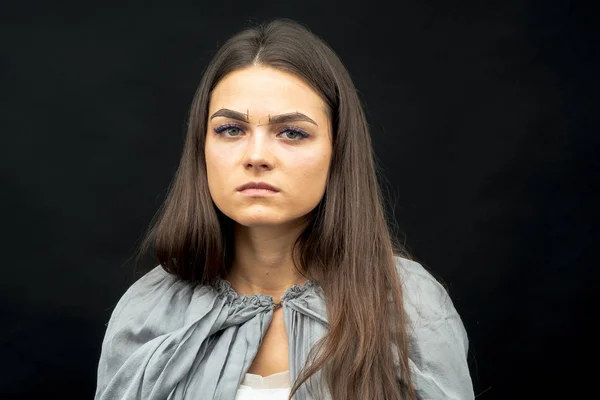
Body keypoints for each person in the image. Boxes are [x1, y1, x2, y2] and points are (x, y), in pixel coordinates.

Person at [94, 18, 474, 400]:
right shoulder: (148, 312)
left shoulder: (409, 307)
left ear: (337, 151)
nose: (256, 156)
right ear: (201, 147)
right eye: (231, 129)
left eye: (292, 132)